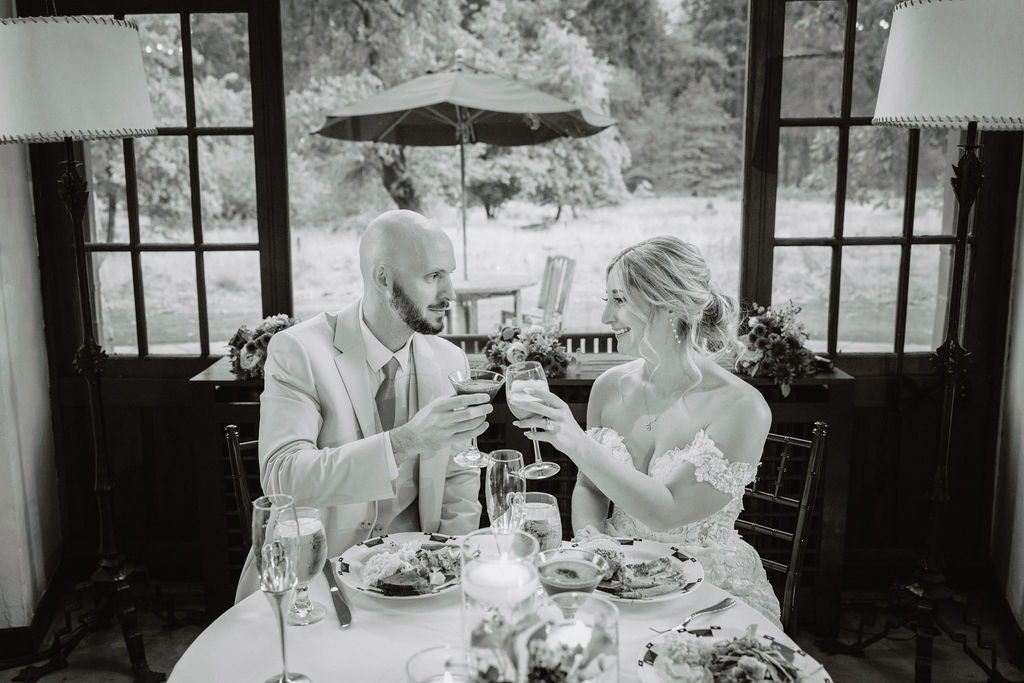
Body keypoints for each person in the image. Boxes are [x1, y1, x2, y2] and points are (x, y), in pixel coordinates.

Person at [512, 235, 782, 625]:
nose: (605, 317)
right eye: (607, 299)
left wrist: (573, 441)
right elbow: (590, 487)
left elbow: (668, 511)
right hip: (615, 579)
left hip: (709, 592)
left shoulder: (742, 407)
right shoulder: (608, 387)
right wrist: (596, 549)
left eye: (618, 300)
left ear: (668, 303)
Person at [235, 209, 490, 601]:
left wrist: (450, 573)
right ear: (384, 279)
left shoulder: (450, 361)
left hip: (420, 580)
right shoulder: (299, 350)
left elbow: (459, 480)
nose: (450, 293)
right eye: (433, 276)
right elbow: (282, 478)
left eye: (449, 274)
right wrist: (406, 440)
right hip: (315, 578)